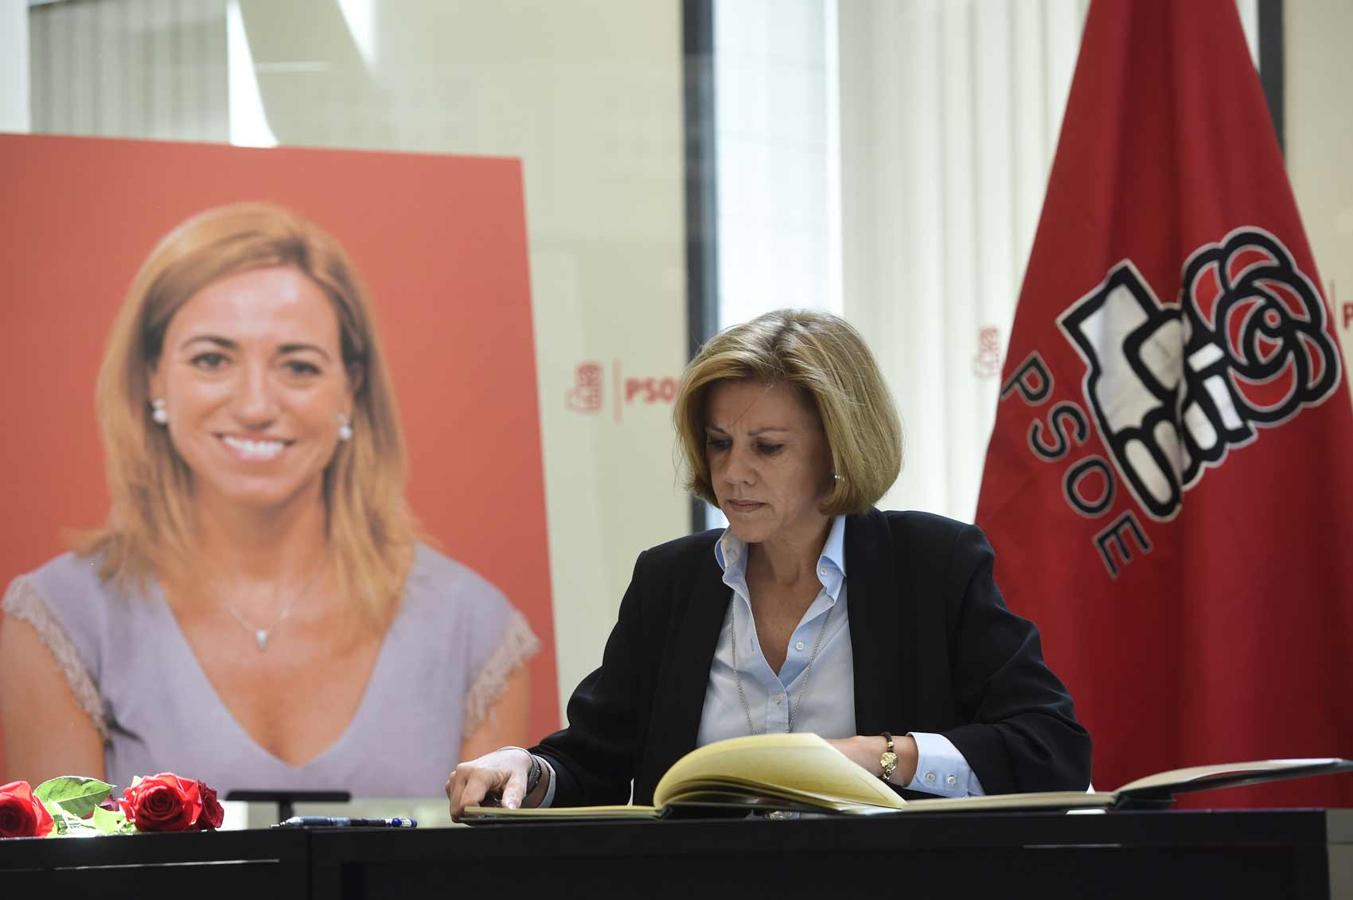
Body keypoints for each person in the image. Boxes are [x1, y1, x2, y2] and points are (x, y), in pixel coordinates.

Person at [447, 308, 1089, 815]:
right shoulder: (670, 582)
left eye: (768, 447)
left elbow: (1052, 750)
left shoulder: (934, 566)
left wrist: (877, 757)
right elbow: (595, 760)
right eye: (719, 444)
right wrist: (525, 770)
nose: (733, 473)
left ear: (839, 447)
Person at [0, 202, 537, 797]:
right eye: (212, 359)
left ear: (350, 390)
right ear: (153, 375)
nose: (256, 405)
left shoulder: (474, 629)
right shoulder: (58, 622)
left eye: (298, 366)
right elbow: (64, 883)